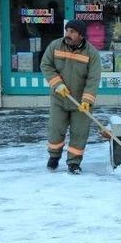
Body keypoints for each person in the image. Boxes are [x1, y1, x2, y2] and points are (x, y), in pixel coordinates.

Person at [40, 20, 101, 174]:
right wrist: (57, 84)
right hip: (59, 99)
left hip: (81, 102)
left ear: (81, 35)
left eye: (72, 32)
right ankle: (54, 156)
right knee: (55, 129)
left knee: (79, 133)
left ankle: (74, 163)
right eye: (67, 31)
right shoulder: (55, 46)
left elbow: (93, 78)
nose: (68, 34)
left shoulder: (91, 53)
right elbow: (46, 65)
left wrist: (87, 100)